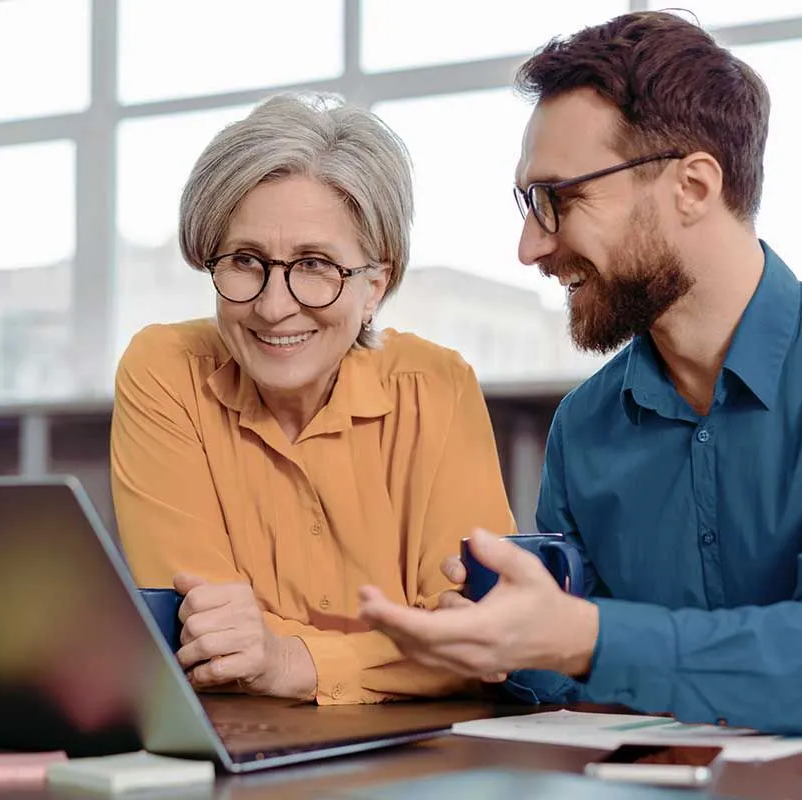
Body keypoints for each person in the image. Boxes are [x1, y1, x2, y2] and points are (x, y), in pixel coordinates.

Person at [358, 11, 802, 733]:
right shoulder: (587, 425)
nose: (530, 247)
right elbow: (576, 663)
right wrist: (503, 644)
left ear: (693, 187)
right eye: (527, 204)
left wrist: (579, 636)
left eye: (557, 200)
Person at [111, 93, 515, 705]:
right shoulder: (165, 372)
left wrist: (289, 660)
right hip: (234, 754)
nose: (274, 306)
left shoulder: (438, 387)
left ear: (374, 288)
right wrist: (403, 654)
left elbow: (479, 644)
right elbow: (208, 641)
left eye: (315, 264)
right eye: (246, 261)